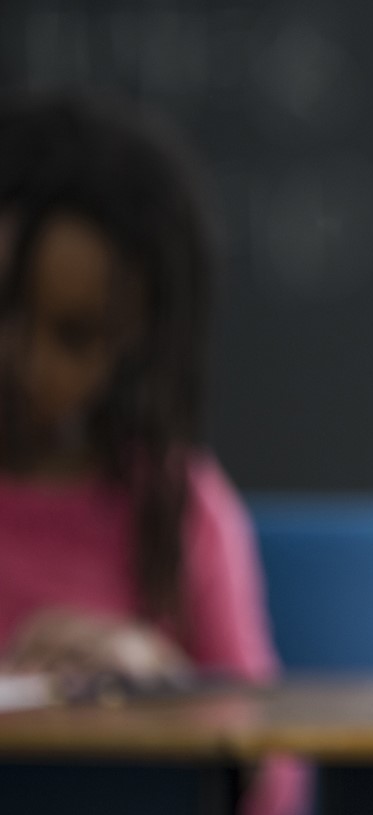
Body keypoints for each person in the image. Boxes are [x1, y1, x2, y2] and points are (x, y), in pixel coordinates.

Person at [0, 92, 274, 695]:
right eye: (5, 308)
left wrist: (160, 682)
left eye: (75, 337)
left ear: (132, 344)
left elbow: (272, 775)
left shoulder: (179, 513)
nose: (25, 363)